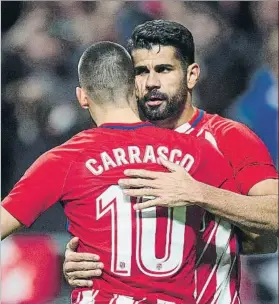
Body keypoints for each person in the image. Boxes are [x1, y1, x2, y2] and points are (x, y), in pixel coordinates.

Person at [1, 41, 241, 303]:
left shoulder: (64, 159)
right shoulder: (197, 151)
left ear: (82, 97)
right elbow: (258, 233)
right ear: (137, 88)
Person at [63, 20, 278, 304]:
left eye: (164, 69)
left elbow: (273, 216)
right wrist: (78, 260)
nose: (151, 82)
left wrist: (197, 193)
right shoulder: (111, 146)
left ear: (191, 75)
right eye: (141, 71)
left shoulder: (229, 138)